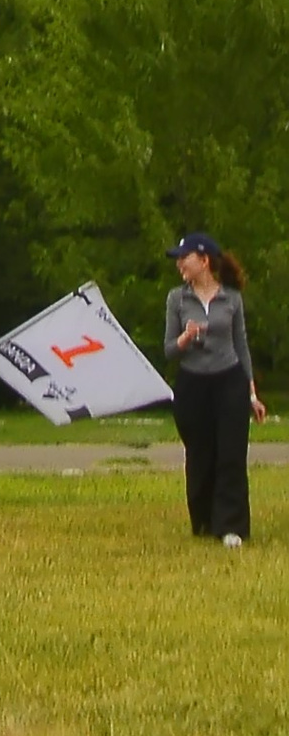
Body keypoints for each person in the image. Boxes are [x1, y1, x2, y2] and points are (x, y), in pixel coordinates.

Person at [165, 232, 264, 545]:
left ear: (204, 259)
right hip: (193, 383)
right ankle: (205, 521)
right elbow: (168, 349)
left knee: (231, 453)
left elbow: (241, 346)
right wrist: (184, 339)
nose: (180, 263)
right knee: (200, 453)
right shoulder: (176, 299)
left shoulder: (231, 299)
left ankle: (231, 525)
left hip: (229, 380)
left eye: (185, 257)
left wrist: (251, 394)